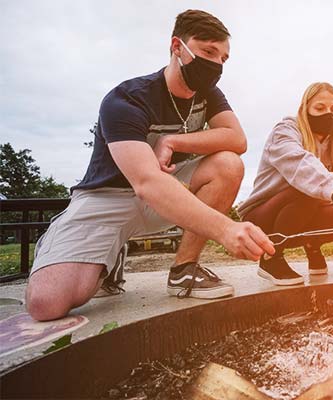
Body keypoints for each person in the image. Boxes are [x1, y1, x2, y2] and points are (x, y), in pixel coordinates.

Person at [26, 10, 274, 322]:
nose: (216, 65)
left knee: (228, 164)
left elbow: (236, 139)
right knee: (47, 304)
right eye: (208, 52)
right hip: (108, 196)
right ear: (177, 46)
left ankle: (184, 269)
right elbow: (145, 181)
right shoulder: (127, 98)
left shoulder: (209, 95)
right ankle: (106, 255)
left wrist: (173, 141)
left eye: (223, 58)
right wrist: (226, 229)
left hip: (167, 192)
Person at [237, 82, 333, 285]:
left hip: (301, 212)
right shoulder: (285, 131)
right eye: (319, 108)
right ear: (305, 109)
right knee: (306, 191)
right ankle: (271, 258)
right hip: (262, 217)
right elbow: (301, 164)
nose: (328, 114)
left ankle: (313, 244)